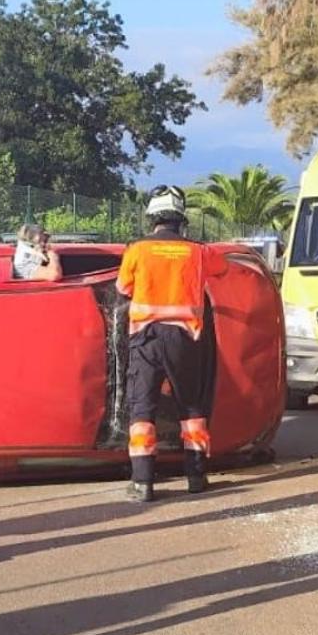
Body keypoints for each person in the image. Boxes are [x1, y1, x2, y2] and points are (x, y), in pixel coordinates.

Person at [117, 185, 214, 502]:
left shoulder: (138, 250)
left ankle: (142, 482)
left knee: (143, 407)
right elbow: (222, 271)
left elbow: (123, 287)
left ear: (152, 217)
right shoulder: (198, 251)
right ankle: (196, 477)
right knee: (191, 407)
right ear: (181, 218)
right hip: (185, 339)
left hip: (146, 338)